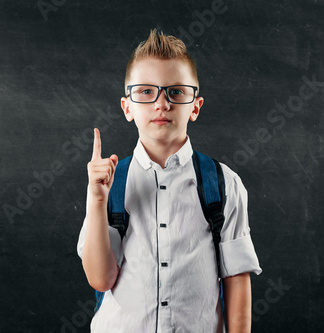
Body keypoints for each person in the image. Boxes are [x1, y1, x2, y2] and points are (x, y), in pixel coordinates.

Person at [76, 29, 262, 332]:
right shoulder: (111, 184)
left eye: (175, 91)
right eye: (146, 92)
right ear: (127, 107)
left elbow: (236, 277)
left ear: (195, 107)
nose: (161, 104)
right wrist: (97, 201)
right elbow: (100, 279)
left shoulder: (223, 183)